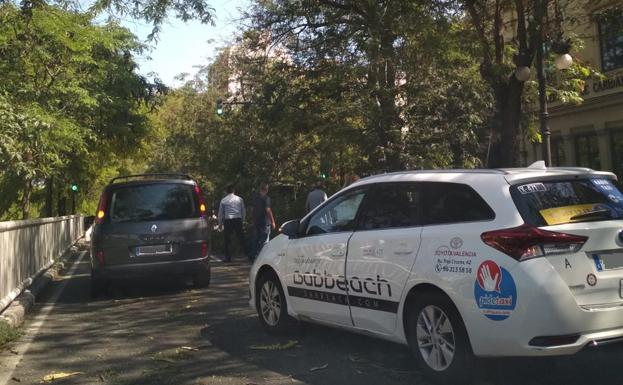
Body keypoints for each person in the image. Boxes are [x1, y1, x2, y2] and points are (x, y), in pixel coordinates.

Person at [217, 185, 246, 262]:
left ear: (227, 191)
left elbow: (221, 213)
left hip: (228, 220)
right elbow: (243, 210)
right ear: (234, 191)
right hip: (238, 219)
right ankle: (249, 255)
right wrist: (243, 220)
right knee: (241, 238)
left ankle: (228, 257)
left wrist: (220, 224)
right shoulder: (240, 199)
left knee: (227, 240)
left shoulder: (223, 200)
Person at [252, 182, 276, 260]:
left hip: (256, 221)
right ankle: (262, 257)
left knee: (256, 239)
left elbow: (254, 209)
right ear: (267, 190)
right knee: (265, 240)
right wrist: (272, 221)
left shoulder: (256, 198)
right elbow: (268, 210)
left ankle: (255, 255)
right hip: (265, 222)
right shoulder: (266, 198)